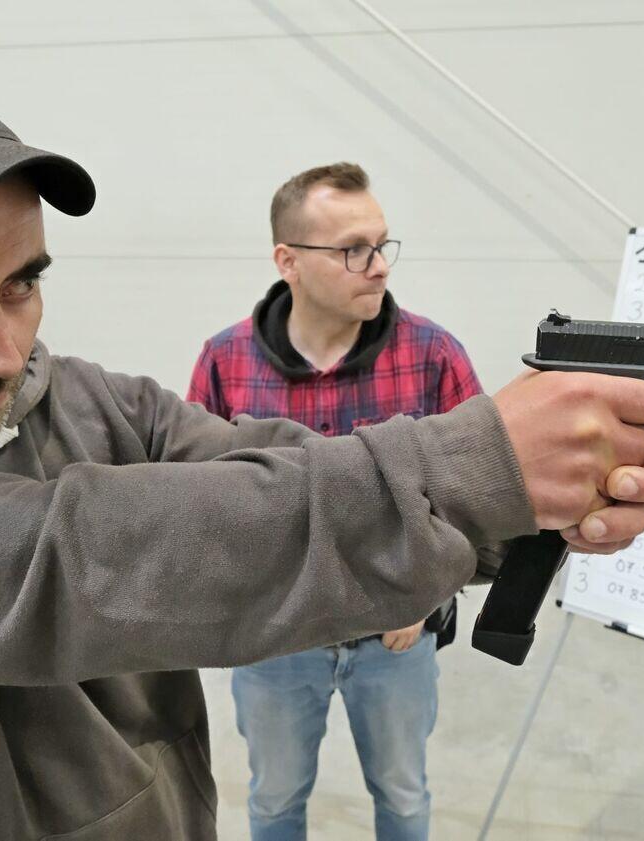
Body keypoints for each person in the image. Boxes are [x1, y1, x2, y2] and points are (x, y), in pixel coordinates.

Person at [0, 63, 644, 840]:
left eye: (21, 284)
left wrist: (522, 499)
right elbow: (67, 559)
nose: (2, 351)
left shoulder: (85, 400)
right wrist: (470, 469)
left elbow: (263, 471)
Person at [189, 162, 479, 840]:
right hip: (276, 640)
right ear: (287, 261)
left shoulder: (433, 355)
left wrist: (428, 590)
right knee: (273, 801)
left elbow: (475, 490)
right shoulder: (225, 362)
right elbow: (197, 497)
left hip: (396, 635)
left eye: (380, 244)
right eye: (353, 250)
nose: (379, 266)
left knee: (403, 797)